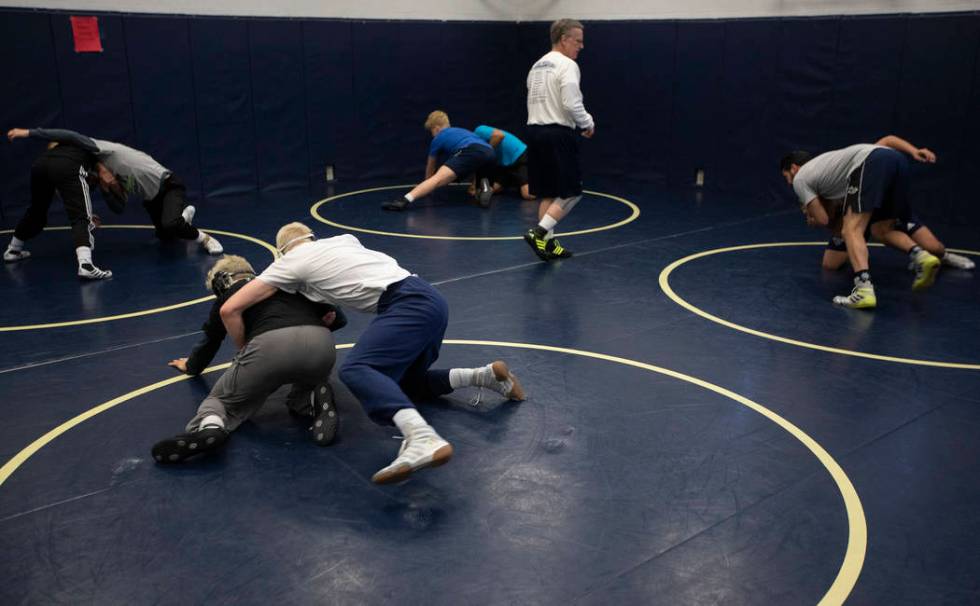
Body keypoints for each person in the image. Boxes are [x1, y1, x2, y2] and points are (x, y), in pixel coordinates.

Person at [219, 222, 527, 484]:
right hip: (430, 298)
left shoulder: (287, 264)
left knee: (357, 369)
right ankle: (483, 376)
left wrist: (244, 350)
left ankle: (421, 437)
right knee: (403, 385)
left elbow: (230, 308)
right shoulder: (343, 240)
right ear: (311, 237)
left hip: (406, 304)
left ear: (282, 251)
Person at [152, 254, 347, 463]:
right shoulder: (282, 283)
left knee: (220, 401)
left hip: (270, 348)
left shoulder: (232, 294)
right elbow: (339, 318)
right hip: (322, 345)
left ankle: (211, 429)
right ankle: (314, 399)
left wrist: (191, 365)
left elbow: (211, 341)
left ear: (221, 283)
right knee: (301, 392)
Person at [6, 127, 223, 264]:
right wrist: (106, 190)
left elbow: (67, 135)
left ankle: (206, 239)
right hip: (151, 199)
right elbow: (118, 208)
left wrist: (28, 133)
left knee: (171, 224)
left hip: (168, 184)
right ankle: (184, 218)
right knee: (167, 235)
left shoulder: (95, 147)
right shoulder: (91, 171)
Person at [780, 135, 946, 309]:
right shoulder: (827, 167)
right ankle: (922, 256)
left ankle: (863, 291)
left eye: (787, 177)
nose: (789, 183)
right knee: (882, 230)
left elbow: (823, 220)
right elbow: (885, 145)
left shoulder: (800, 179)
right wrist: (913, 151)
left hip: (872, 164)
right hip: (898, 161)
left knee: (850, 230)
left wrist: (811, 218)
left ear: (793, 168)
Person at [522, 18, 595, 261]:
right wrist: (587, 123)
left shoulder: (537, 65)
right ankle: (539, 232)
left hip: (534, 132)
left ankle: (549, 244)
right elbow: (571, 102)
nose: (581, 46)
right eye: (578, 41)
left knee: (549, 192)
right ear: (564, 39)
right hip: (557, 134)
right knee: (572, 192)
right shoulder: (567, 65)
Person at [3, 129, 113, 278]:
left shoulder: (58, 152)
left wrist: (84, 211)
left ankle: (13, 249)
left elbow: (64, 192)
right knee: (80, 218)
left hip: (40, 166)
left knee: (36, 211)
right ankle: (86, 265)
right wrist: (86, 216)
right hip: (68, 168)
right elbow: (59, 134)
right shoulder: (86, 147)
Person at [382, 111, 497, 211]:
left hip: (471, 151)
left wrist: (428, 185)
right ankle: (484, 187)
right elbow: (477, 154)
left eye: (431, 132)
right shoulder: (462, 131)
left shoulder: (438, 137)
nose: (432, 135)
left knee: (438, 178)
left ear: (436, 128)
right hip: (490, 152)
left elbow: (430, 167)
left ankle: (404, 200)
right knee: (474, 181)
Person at [820, 216, 974, 272]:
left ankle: (944, 256)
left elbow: (887, 141)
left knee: (934, 248)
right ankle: (855, 249)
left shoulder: (880, 164)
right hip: (858, 216)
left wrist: (914, 151)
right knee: (831, 265)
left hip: (889, 215)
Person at [471, 125, 535, 201]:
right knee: (492, 189)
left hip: (519, 156)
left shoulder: (479, 130)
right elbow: (479, 166)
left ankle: (545, 184)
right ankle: (516, 180)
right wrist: (474, 186)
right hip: (505, 165)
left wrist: (487, 152)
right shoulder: (475, 149)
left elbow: (499, 135)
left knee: (528, 195)